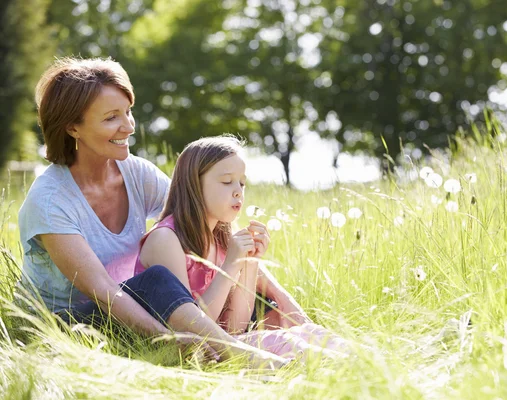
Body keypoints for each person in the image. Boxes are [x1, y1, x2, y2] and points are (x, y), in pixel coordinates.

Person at [17, 57, 287, 368]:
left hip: (132, 308)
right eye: (111, 118)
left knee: (257, 297)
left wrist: (280, 296)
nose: (129, 126)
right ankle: (242, 359)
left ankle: (289, 344)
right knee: (156, 279)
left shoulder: (137, 174)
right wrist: (166, 339)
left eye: (128, 112)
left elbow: (209, 220)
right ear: (72, 127)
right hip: (63, 327)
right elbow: (103, 290)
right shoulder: (50, 199)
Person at [131, 136, 352, 360]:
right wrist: (231, 265)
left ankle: (368, 364)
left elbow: (234, 329)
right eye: (227, 182)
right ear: (193, 185)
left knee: (309, 333)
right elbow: (193, 327)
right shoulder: (166, 240)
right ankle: (338, 371)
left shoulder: (222, 238)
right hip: (182, 352)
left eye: (242, 183)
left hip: (220, 347)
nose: (238, 191)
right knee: (282, 341)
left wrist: (250, 262)